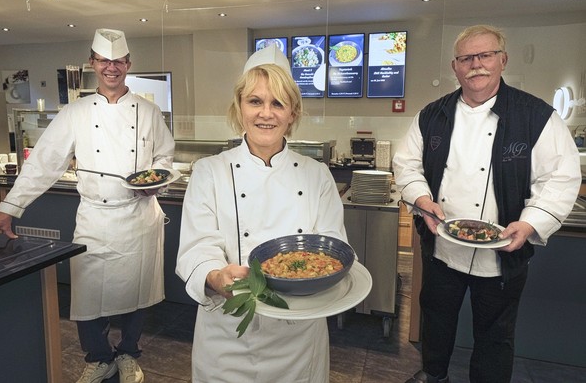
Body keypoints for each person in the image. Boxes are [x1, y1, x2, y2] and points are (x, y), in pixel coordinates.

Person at [0, 28, 176, 383]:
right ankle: (98, 357)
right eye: (104, 61)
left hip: (140, 216)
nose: (112, 67)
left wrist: (155, 181)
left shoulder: (149, 110)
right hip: (95, 216)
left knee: (137, 291)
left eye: (119, 61)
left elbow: (165, 157)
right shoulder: (75, 112)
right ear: (93, 63)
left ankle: (127, 353)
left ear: (129, 64)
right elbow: (44, 162)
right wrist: (8, 209)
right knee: (88, 293)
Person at [393, 24, 581, 383]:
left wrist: (529, 223)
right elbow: (407, 164)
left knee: (495, 335)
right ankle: (434, 375)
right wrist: (421, 198)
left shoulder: (536, 116)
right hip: (443, 246)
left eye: (485, 55)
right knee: (435, 319)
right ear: (455, 67)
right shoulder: (432, 114)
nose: (475, 64)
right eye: (467, 58)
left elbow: (560, 177)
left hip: (503, 252)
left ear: (502, 60)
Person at [175, 44, 347, 383]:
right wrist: (214, 276)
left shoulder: (316, 175)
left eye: (277, 103)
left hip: (298, 337)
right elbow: (197, 246)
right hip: (227, 334)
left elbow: (332, 249)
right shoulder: (209, 171)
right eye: (255, 101)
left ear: (293, 113)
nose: (265, 113)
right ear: (239, 107)